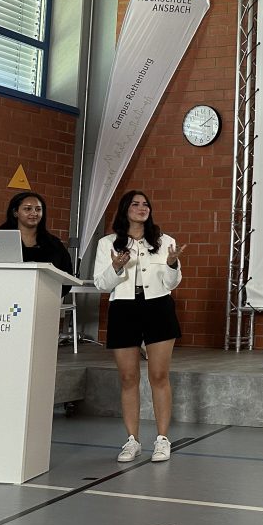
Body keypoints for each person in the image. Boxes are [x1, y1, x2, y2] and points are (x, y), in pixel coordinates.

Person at [93, 191, 185, 464]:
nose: (142, 208)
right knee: (128, 378)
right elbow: (101, 284)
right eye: (135, 204)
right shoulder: (107, 243)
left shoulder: (165, 241)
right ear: (125, 210)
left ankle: (162, 439)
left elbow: (172, 283)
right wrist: (116, 267)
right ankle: (132, 440)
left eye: (146, 204)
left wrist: (172, 264)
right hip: (123, 309)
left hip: (159, 308)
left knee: (159, 375)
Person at [0, 191, 74, 294]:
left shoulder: (54, 244)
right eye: (27, 209)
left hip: (44, 301)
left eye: (38, 209)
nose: (34, 213)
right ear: (15, 212)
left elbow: (66, 276)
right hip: (4, 299)